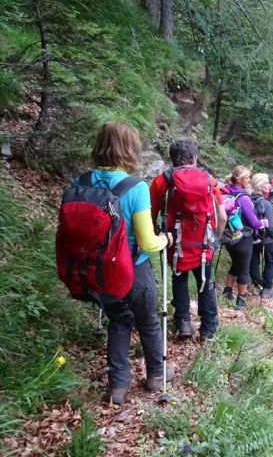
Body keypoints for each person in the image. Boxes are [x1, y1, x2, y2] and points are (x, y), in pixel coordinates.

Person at [85, 122, 172, 405]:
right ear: (130, 149)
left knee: (119, 320)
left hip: (98, 270)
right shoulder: (136, 188)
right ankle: (156, 375)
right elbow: (148, 242)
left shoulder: (82, 182)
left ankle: (118, 385)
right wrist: (165, 240)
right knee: (147, 321)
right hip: (132, 269)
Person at [150, 140, 227, 342]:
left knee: (179, 279)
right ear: (194, 158)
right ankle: (208, 330)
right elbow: (222, 216)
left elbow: (152, 211)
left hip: (176, 243)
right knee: (205, 282)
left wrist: (156, 232)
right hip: (203, 243)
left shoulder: (163, 180)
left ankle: (183, 322)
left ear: (172, 159)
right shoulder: (209, 180)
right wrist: (216, 239)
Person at [221, 165, 268, 309]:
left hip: (228, 237)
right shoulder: (244, 198)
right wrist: (264, 222)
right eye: (247, 177)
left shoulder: (224, 193)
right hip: (243, 237)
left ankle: (227, 291)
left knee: (236, 262)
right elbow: (254, 222)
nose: (249, 180)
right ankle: (241, 300)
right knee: (244, 268)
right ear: (240, 179)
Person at [249, 173, 273, 298]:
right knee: (271, 260)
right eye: (267, 183)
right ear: (261, 186)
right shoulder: (266, 204)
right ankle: (267, 288)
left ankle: (257, 285)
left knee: (254, 260)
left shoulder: (248, 199)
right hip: (266, 238)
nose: (270, 185)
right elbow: (270, 228)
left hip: (251, 237)